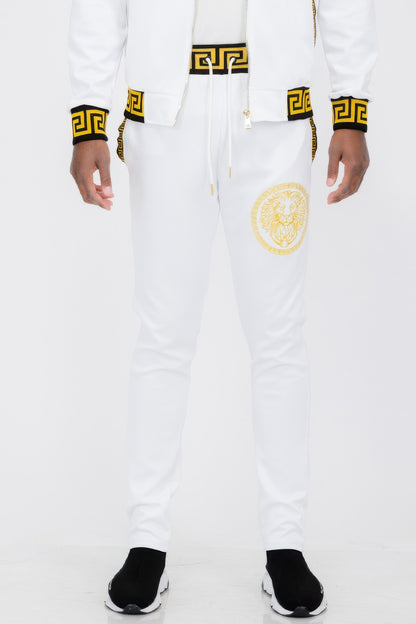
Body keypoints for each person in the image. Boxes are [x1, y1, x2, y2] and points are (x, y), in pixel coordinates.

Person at [68, 0, 377, 617]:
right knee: (162, 336)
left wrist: (351, 110)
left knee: (279, 338)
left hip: (274, 120)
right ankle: (147, 542)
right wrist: (88, 121)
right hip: (163, 120)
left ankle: (285, 545)